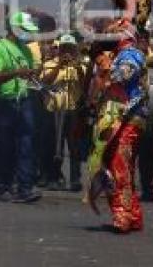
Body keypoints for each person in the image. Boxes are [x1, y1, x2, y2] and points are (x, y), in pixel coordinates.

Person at [84, 0, 150, 234]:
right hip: (113, 118)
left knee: (120, 165)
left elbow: (121, 76)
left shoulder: (131, 54)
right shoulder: (118, 52)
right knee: (114, 164)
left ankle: (123, 215)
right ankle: (131, 213)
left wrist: (103, 63)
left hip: (129, 116)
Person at [0, 11, 41, 203]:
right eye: (24, 30)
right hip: (4, 103)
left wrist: (31, 74)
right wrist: (17, 72)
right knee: (5, 147)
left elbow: (29, 71)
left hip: (24, 100)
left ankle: (25, 188)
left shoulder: (25, 50)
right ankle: (3, 186)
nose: (27, 33)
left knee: (26, 145)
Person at [40, 34, 87, 192]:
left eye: (70, 48)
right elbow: (45, 82)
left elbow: (84, 84)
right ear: (59, 49)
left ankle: (75, 179)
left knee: (74, 147)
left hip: (72, 110)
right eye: (64, 48)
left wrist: (78, 67)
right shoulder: (49, 64)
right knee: (54, 146)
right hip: (53, 109)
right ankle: (54, 177)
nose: (67, 51)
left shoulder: (80, 65)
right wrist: (59, 65)